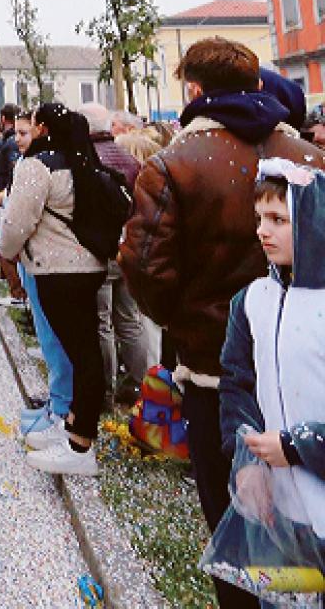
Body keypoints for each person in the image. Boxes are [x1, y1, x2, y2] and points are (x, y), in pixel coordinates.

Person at [122, 37, 325, 608]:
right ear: (258, 85)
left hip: (214, 373)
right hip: (309, 371)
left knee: (237, 523)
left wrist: (185, 326)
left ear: (193, 89)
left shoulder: (173, 164)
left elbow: (145, 268)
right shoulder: (308, 157)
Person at [216, 157, 325, 593]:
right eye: (260, 218)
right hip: (279, 512)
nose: (263, 231)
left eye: (278, 219)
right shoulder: (251, 301)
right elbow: (236, 382)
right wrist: (246, 459)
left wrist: (299, 446)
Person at [0, 104, 109, 476]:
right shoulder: (80, 160)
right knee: (84, 353)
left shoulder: (38, 165)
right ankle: (72, 424)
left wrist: (5, 250)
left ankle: (79, 444)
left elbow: (17, 221)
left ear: (42, 128)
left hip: (57, 268)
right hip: (89, 265)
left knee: (80, 356)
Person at [78, 101, 156, 408]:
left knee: (102, 323)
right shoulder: (129, 158)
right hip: (128, 247)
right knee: (130, 321)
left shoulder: (85, 159)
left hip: (98, 249)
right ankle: (141, 388)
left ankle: (106, 392)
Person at [0, 103, 20, 209]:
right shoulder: (11, 141)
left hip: (5, 196)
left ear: (3, 118)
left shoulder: (10, 143)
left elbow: (11, 172)